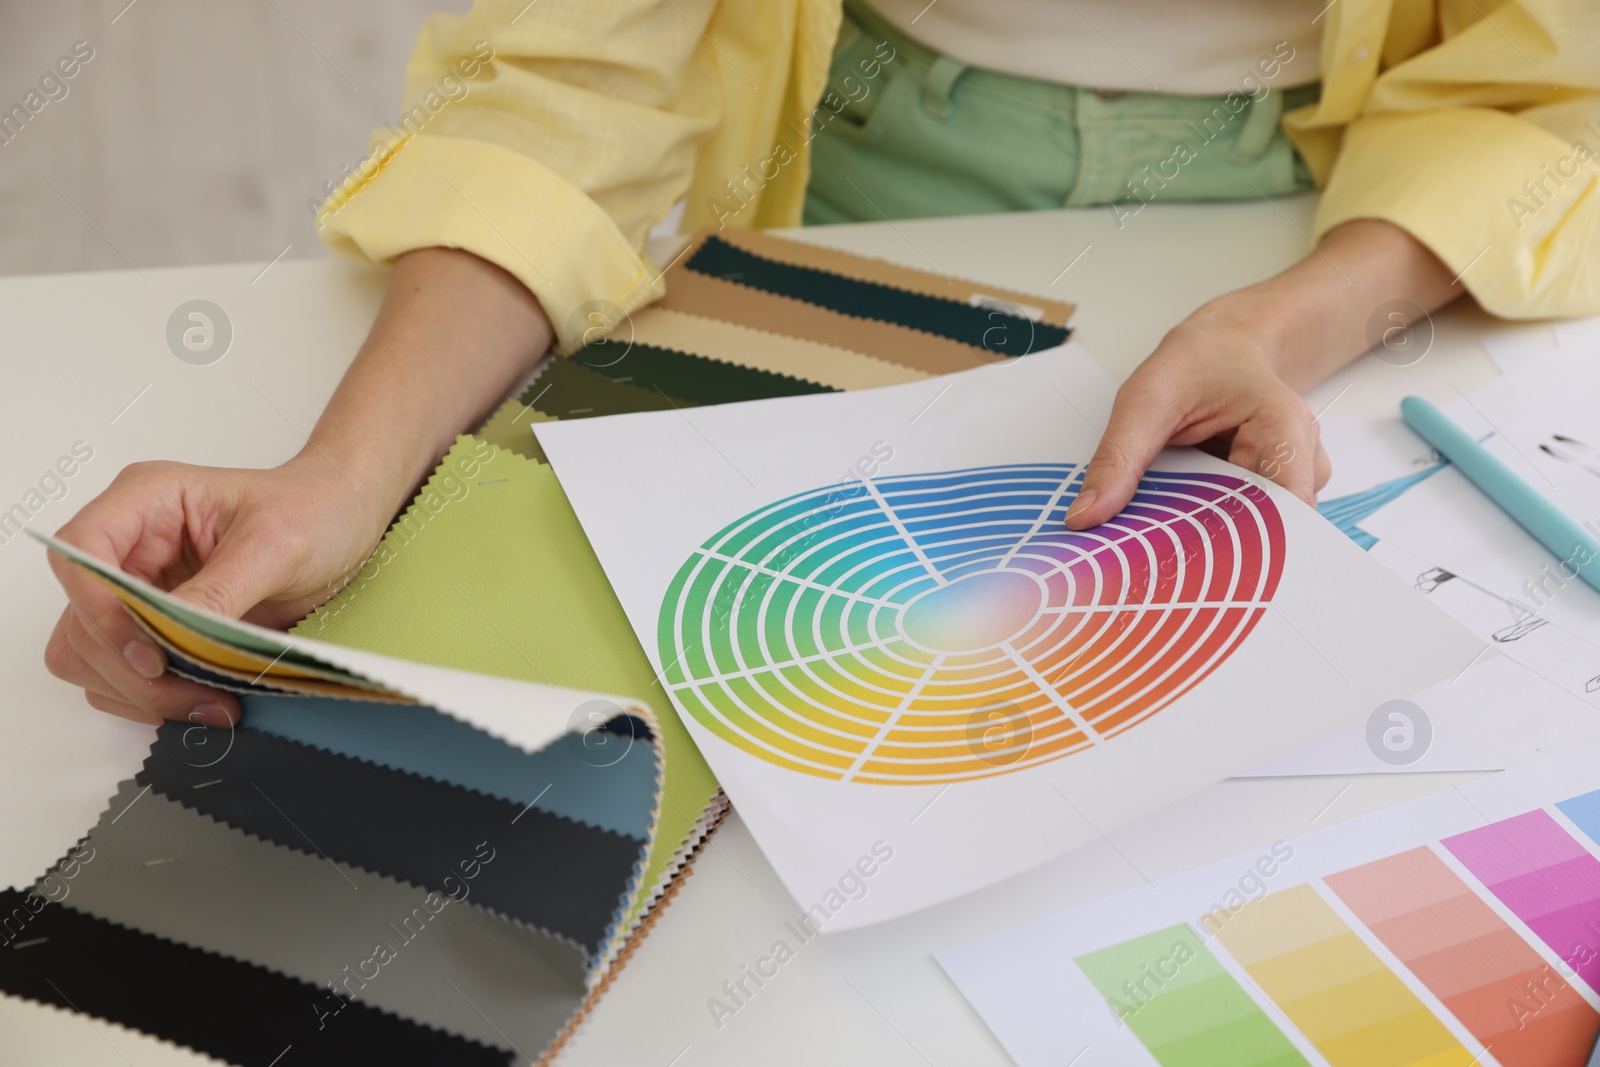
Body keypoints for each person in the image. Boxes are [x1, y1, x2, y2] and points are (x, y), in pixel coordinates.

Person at [45, 0, 1600, 728]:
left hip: (1353, 214)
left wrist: (1280, 325)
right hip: (852, 176)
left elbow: (1560, 82)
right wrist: (345, 473)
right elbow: (567, 83)